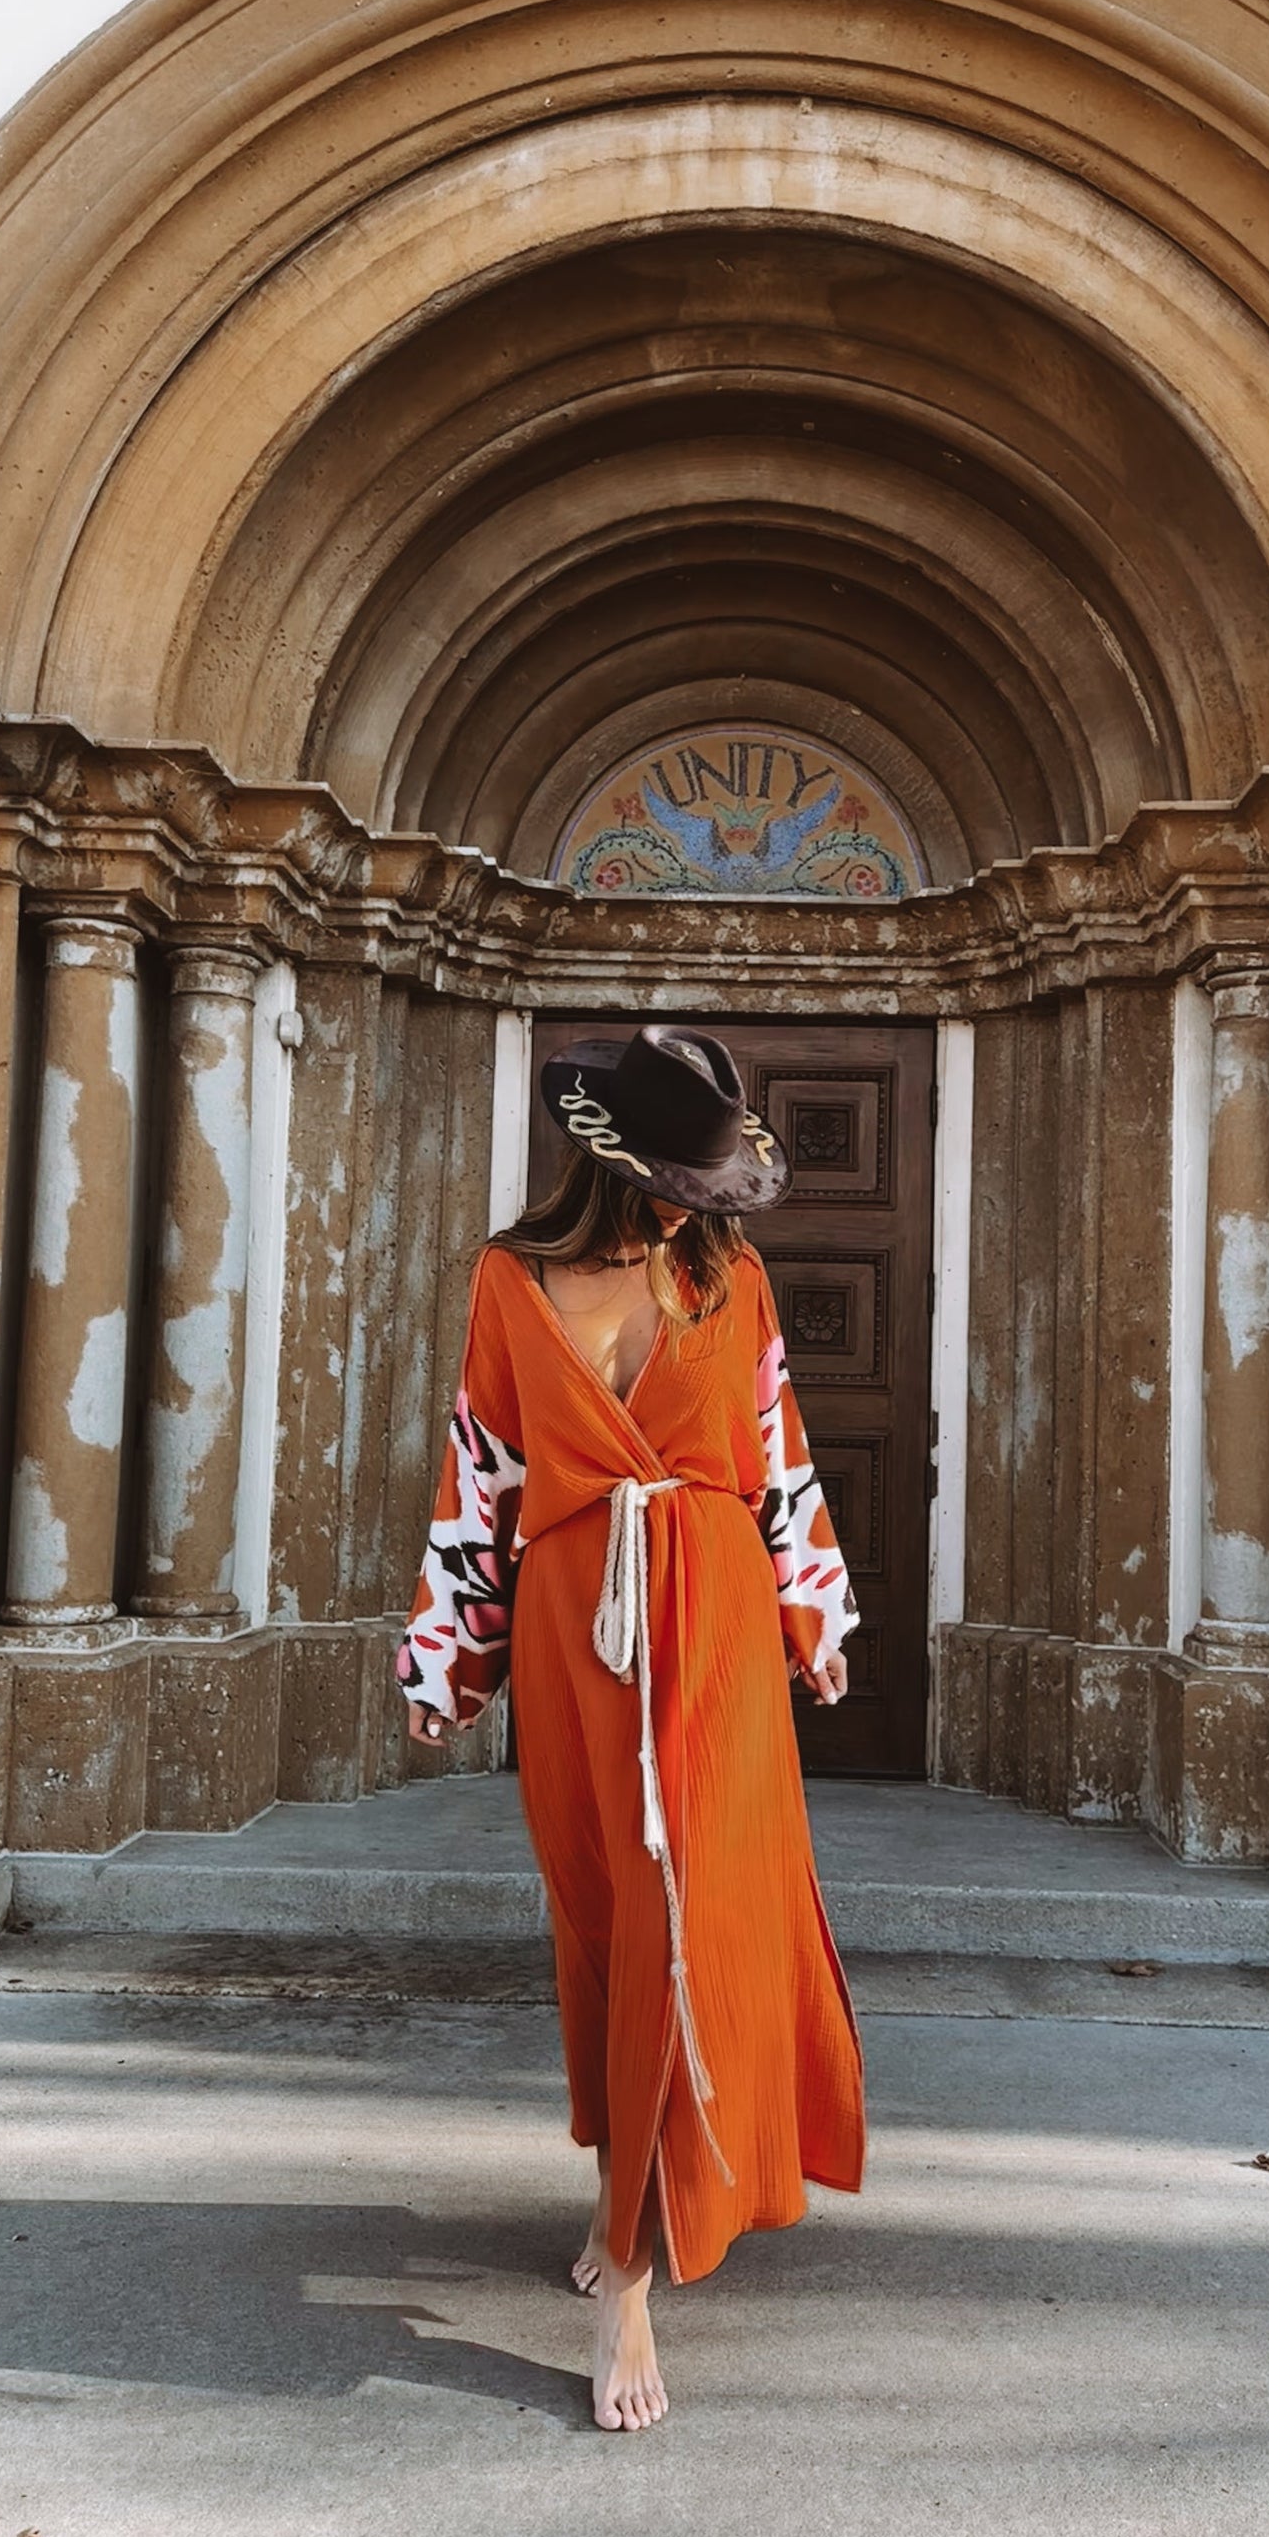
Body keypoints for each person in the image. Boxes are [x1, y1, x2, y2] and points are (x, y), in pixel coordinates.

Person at [396, 1022, 867, 2433]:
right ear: (609, 1166)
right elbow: (480, 1465)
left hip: (715, 1624)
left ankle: (630, 2288)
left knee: (691, 1919)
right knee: (609, 1924)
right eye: (676, 1182)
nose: (690, 1208)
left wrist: (814, 1613)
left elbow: (775, 1451)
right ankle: (627, 2189)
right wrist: (447, 1661)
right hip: (575, 1632)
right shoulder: (507, 1279)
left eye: (704, 1186)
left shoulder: (734, 1277)